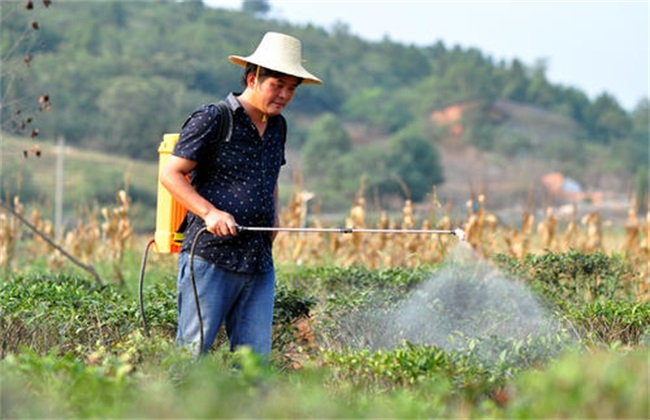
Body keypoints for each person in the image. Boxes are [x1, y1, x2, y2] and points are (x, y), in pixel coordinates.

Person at [160, 32, 322, 356]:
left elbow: (271, 176)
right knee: (192, 354)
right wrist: (210, 213)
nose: (285, 95)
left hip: (259, 261)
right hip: (211, 257)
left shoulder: (278, 126)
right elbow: (171, 174)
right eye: (278, 85)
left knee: (253, 363)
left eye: (292, 88)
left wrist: (274, 217)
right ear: (253, 78)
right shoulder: (214, 118)